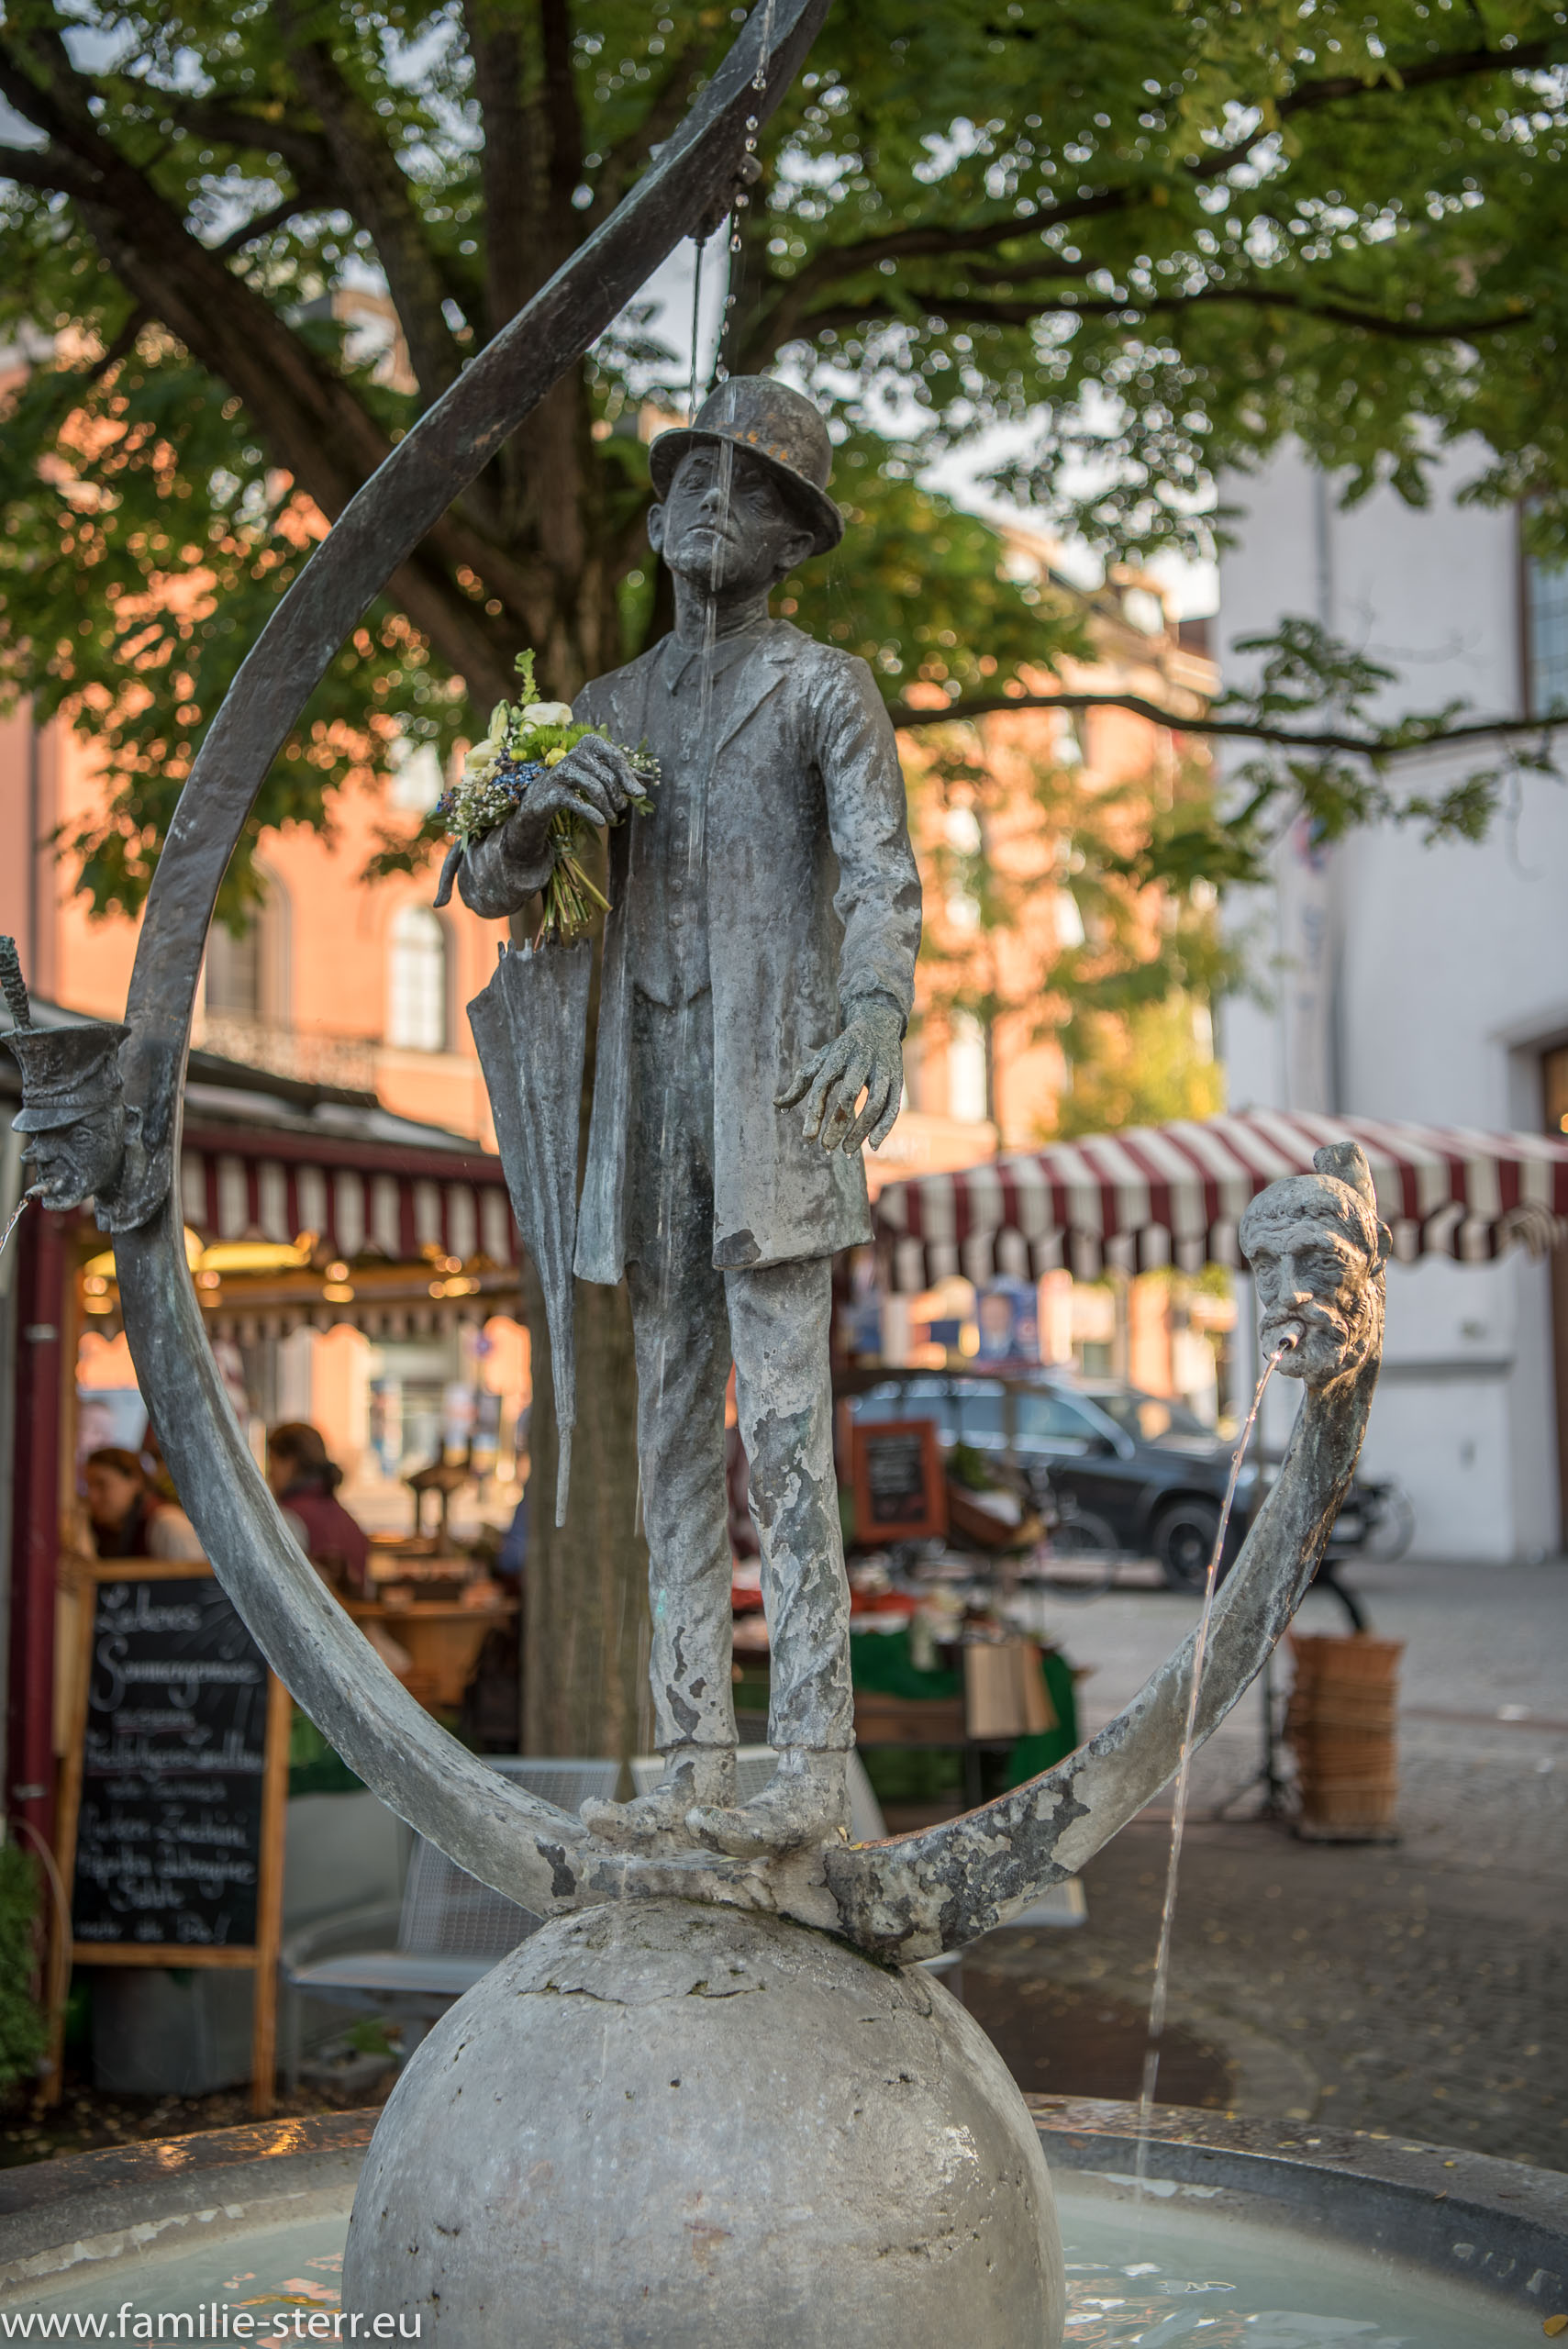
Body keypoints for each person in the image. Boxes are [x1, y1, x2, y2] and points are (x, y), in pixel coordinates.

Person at [458, 377, 920, 1855]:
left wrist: (875, 1013)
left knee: (783, 1429)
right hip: (647, 1093)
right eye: (694, 487)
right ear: (657, 526)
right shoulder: (601, 710)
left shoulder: (824, 688)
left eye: (755, 494)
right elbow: (489, 888)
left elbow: (882, 878)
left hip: (774, 1090)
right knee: (667, 1430)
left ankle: (810, 1759)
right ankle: (691, 1761)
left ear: (791, 545)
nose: (717, 506)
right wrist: (543, 812)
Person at [266, 1421, 372, 1597]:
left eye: (272, 1463)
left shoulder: (288, 1519)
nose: (269, 1475)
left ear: (289, 1463)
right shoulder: (348, 1520)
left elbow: (281, 1595)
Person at [84, 1446, 205, 1561]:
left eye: (101, 1484)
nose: (92, 1497)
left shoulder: (168, 1525)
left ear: (135, 1481)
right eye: (89, 1486)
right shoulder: (102, 1532)